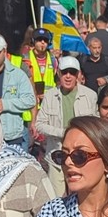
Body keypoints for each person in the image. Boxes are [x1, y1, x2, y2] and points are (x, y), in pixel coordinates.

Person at [36, 56, 100, 194]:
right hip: (56, 154)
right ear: (58, 73)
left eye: (72, 72)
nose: (68, 76)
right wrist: (63, 132)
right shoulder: (50, 95)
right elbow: (40, 124)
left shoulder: (90, 95)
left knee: (81, 194)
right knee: (56, 197)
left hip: (81, 155)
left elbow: (96, 125)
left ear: (78, 75)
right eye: (65, 72)